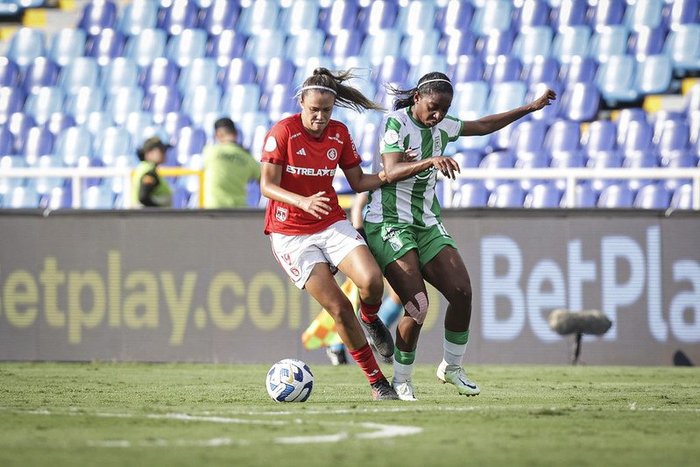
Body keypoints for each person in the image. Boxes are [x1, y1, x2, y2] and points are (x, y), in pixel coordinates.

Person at [363, 72, 557, 401]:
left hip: (425, 221)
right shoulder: (397, 123)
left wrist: (529, 108)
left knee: (462, 292)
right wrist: (430, 160)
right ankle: (402, 379)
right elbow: (390, 171)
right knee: (418, 305)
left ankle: (451, 368)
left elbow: (481, 126)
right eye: (434, 107)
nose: (438, 115)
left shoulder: (445, 125)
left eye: (445, 109)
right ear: (417, 100)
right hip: (389, 222)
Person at [259, 67, 400, 401]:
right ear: (301, 105)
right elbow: (266, 185)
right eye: (314, 110)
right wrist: (302, 201)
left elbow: (358, 182)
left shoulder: (339, 133)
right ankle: (378, 383)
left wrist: (391, 173)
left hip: (329, 222)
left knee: (372, 282)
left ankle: (371, 319)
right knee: (338, 308)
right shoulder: (283, 132)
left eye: (326, 110)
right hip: (290, 233)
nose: (320, 117)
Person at [326, 191, 404, 366]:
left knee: (399, 295)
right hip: (367, 238)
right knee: (355, 298)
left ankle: (375, 335)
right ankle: (336, 345)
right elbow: (358, 204)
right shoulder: (380, 172)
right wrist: (360, 236)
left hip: (389, 238)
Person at [202, 117, 261, 208]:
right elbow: (265, 179)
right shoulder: (248, 158)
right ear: (236, 134)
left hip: (214, 209)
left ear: (217, 135)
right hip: (239, 210)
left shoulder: (210, 151)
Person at [131, 136, 172, 208]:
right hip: (149, 217)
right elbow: (143, 197)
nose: (165, 153)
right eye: (161, 150)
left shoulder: (142, 167)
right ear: (149, 153)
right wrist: (159, 211)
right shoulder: (149, 172)